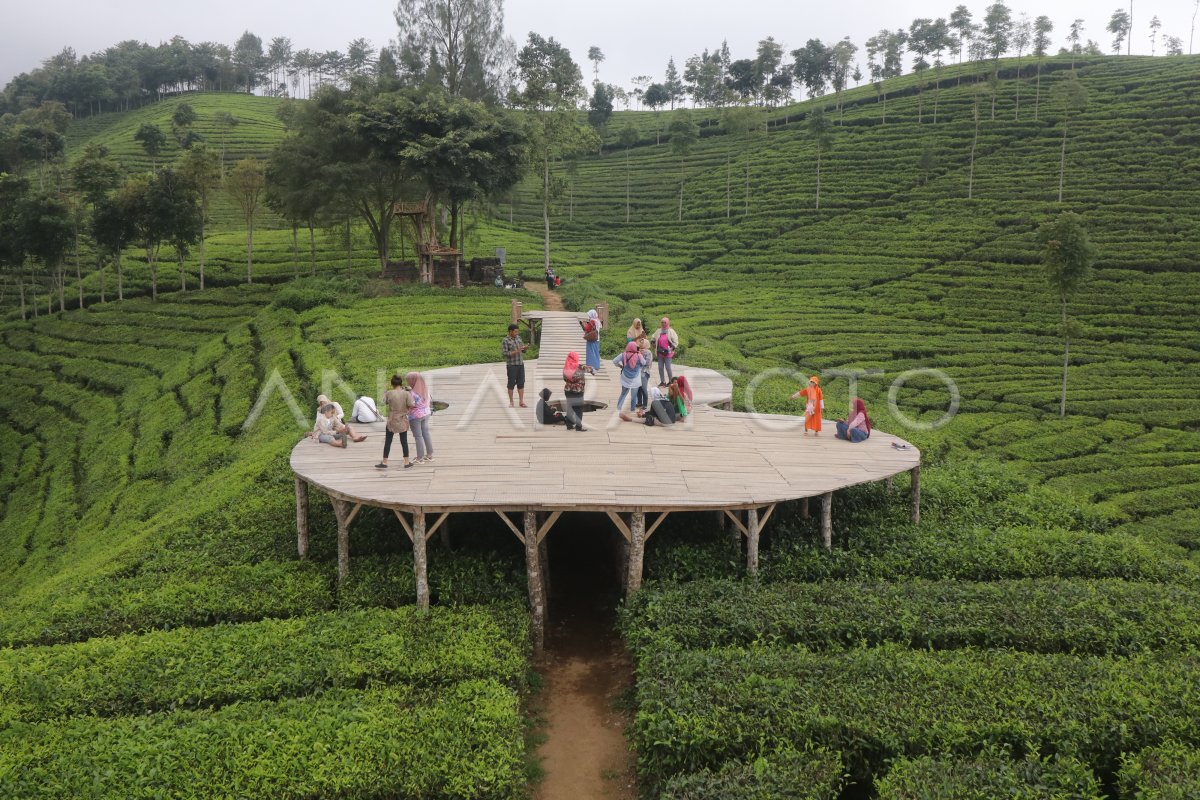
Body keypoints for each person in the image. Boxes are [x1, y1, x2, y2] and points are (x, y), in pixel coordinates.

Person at [376, 375, 414, 469]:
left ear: (392, 384)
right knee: (404, 441)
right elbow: (412, 404)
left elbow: (382, 403)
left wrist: (384, 392)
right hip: (402, 419)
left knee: (388, 441)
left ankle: (384, 462)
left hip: (392, 420)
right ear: (401, 383)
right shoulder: (406, 394)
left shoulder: (389, 393)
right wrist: (410, 391)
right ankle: (406, 462)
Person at [406, 371, 435, 463]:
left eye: (409, 380)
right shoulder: (426, 389)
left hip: (415, 417)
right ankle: (429, 455)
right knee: (426, 433)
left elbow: (410, 405)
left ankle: (420, 458)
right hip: (426, 413)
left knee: (418, 436)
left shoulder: (412, 393)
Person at [563, 351, 594, 432]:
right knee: (578, 409)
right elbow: (591, 369)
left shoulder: (566, 367)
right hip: (578, 391)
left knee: (570, 407)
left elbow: (564, 378)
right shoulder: (580, 367)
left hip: (568, 390)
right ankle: (578, 427)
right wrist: (593, 370)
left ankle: (569, 425)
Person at [613, 341, 648, 413]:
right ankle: (632, 409)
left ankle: (618, 408)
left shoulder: (623, 355)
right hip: (635, 378)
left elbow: (614, 361)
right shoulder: (639, 355)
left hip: (625, 377)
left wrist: (620, 366)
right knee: (634, 395)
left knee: (623, 393)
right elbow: (644, 363)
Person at [502, 323, 530, 408]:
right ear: (510, 331)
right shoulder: (505, 340)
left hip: (520, 364)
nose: (517, 333)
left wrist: (524, 349)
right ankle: (511, 402)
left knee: (521, 383)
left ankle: (521, 402)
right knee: (511, 383)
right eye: (515, 331)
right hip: (511, 365)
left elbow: (522, 350)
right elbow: (504, 353)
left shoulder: (519, 338)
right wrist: (516, 351)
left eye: (518, 331)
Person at [654, 317, 679, 385]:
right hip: (660, 353)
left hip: (668, 353)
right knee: (660, 367)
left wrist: (672, 347)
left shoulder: (671, 331)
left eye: (665, 322)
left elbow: (676, 341)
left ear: (668, 323)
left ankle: (671, 381)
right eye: (662, 322)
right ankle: (663, 381)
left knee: (668, 367)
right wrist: (653, 341)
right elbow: (654, 337)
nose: (663, 324)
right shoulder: (658, 331)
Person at [635, 334, 652, 408]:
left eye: (642, 343)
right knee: (638, 388)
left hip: (644, 372)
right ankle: (639, 402)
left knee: (643, 388)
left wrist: (640, 358)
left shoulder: (648, 352)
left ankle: (645, 404)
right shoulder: (637, 351)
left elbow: (647, 363)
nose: (640, 344)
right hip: (638, 372)